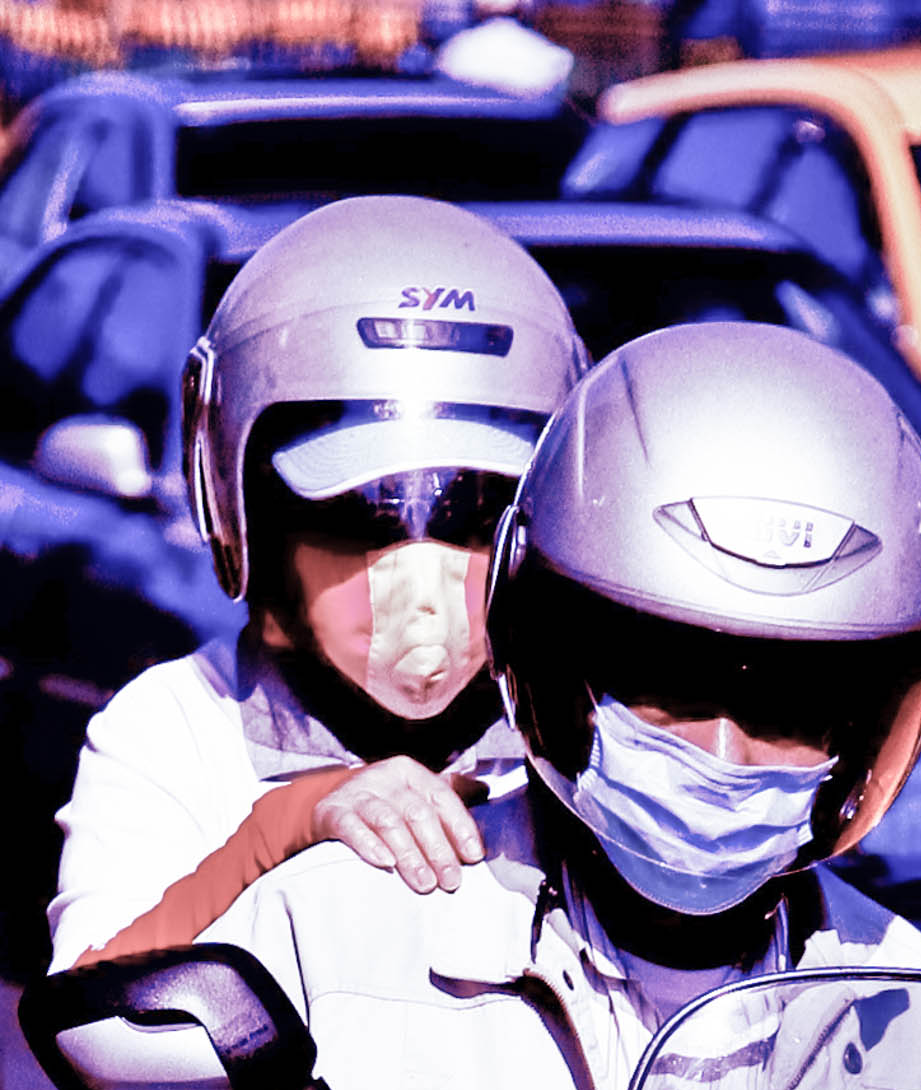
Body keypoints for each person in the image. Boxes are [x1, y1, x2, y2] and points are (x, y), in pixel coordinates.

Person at [0, 322, 921, 1090]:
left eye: (794, 703)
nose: (725, 750)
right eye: (667, 681)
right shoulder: (348, 930)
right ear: (556, 656)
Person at [43, 195, 587, 972]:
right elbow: (92, 1006)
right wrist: (280, 829)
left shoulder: (578, 742)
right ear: (252, 516)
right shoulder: (179, 728)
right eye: (361, 516)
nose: (422, 582)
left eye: (475, 512)